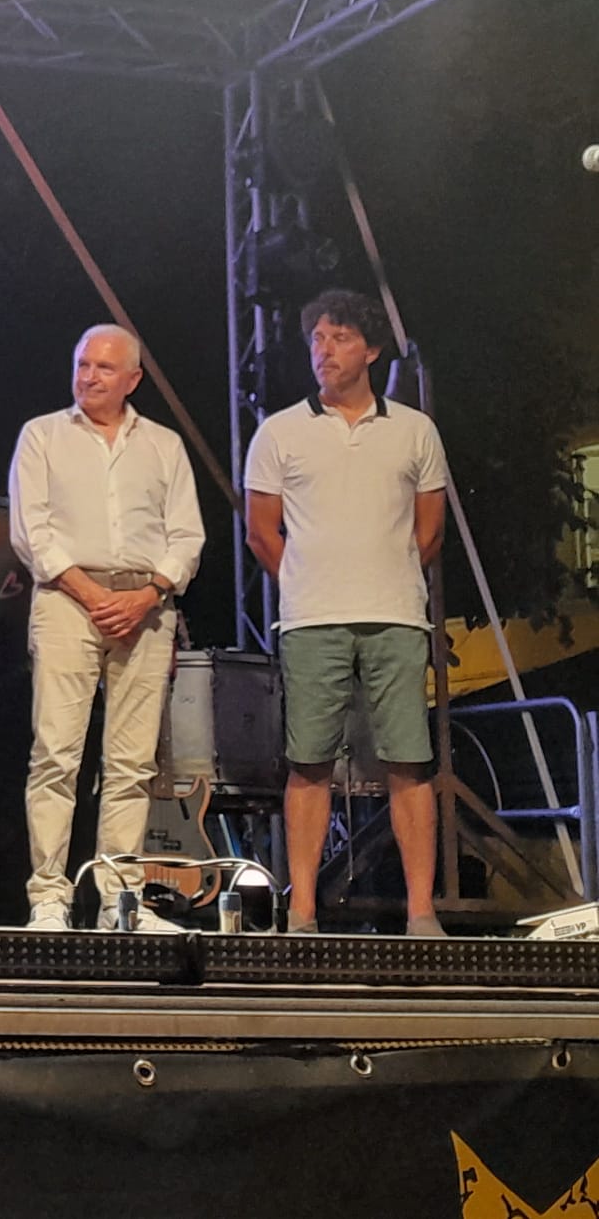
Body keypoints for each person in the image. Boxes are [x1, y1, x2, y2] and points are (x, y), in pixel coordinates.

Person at [244, 288, 448, 937]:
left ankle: (421, 912)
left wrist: (385, 575)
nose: (323, 351)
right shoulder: (280, 431)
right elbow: (261, 532)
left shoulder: (414, 430)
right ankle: (302, 910)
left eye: (338, 338)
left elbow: (430, 531)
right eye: (316, 339)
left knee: (408, 762)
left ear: (371, 349)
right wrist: (309, 581)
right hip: (312, 621)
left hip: (396, 617)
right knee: (308, 763)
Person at [9, 324, 205, 931]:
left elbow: (187, 535)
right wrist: (96, 597)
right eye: (82, 364)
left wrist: (147, 595)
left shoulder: (164, 445)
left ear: (133, 380)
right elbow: (32, 532)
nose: (88, 377)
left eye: (103, 368)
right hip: (68, 600)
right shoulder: (43, 435)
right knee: (56, 754)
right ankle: (49, 896)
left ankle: (122, 902)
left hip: (146, 605)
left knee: (132, 764)